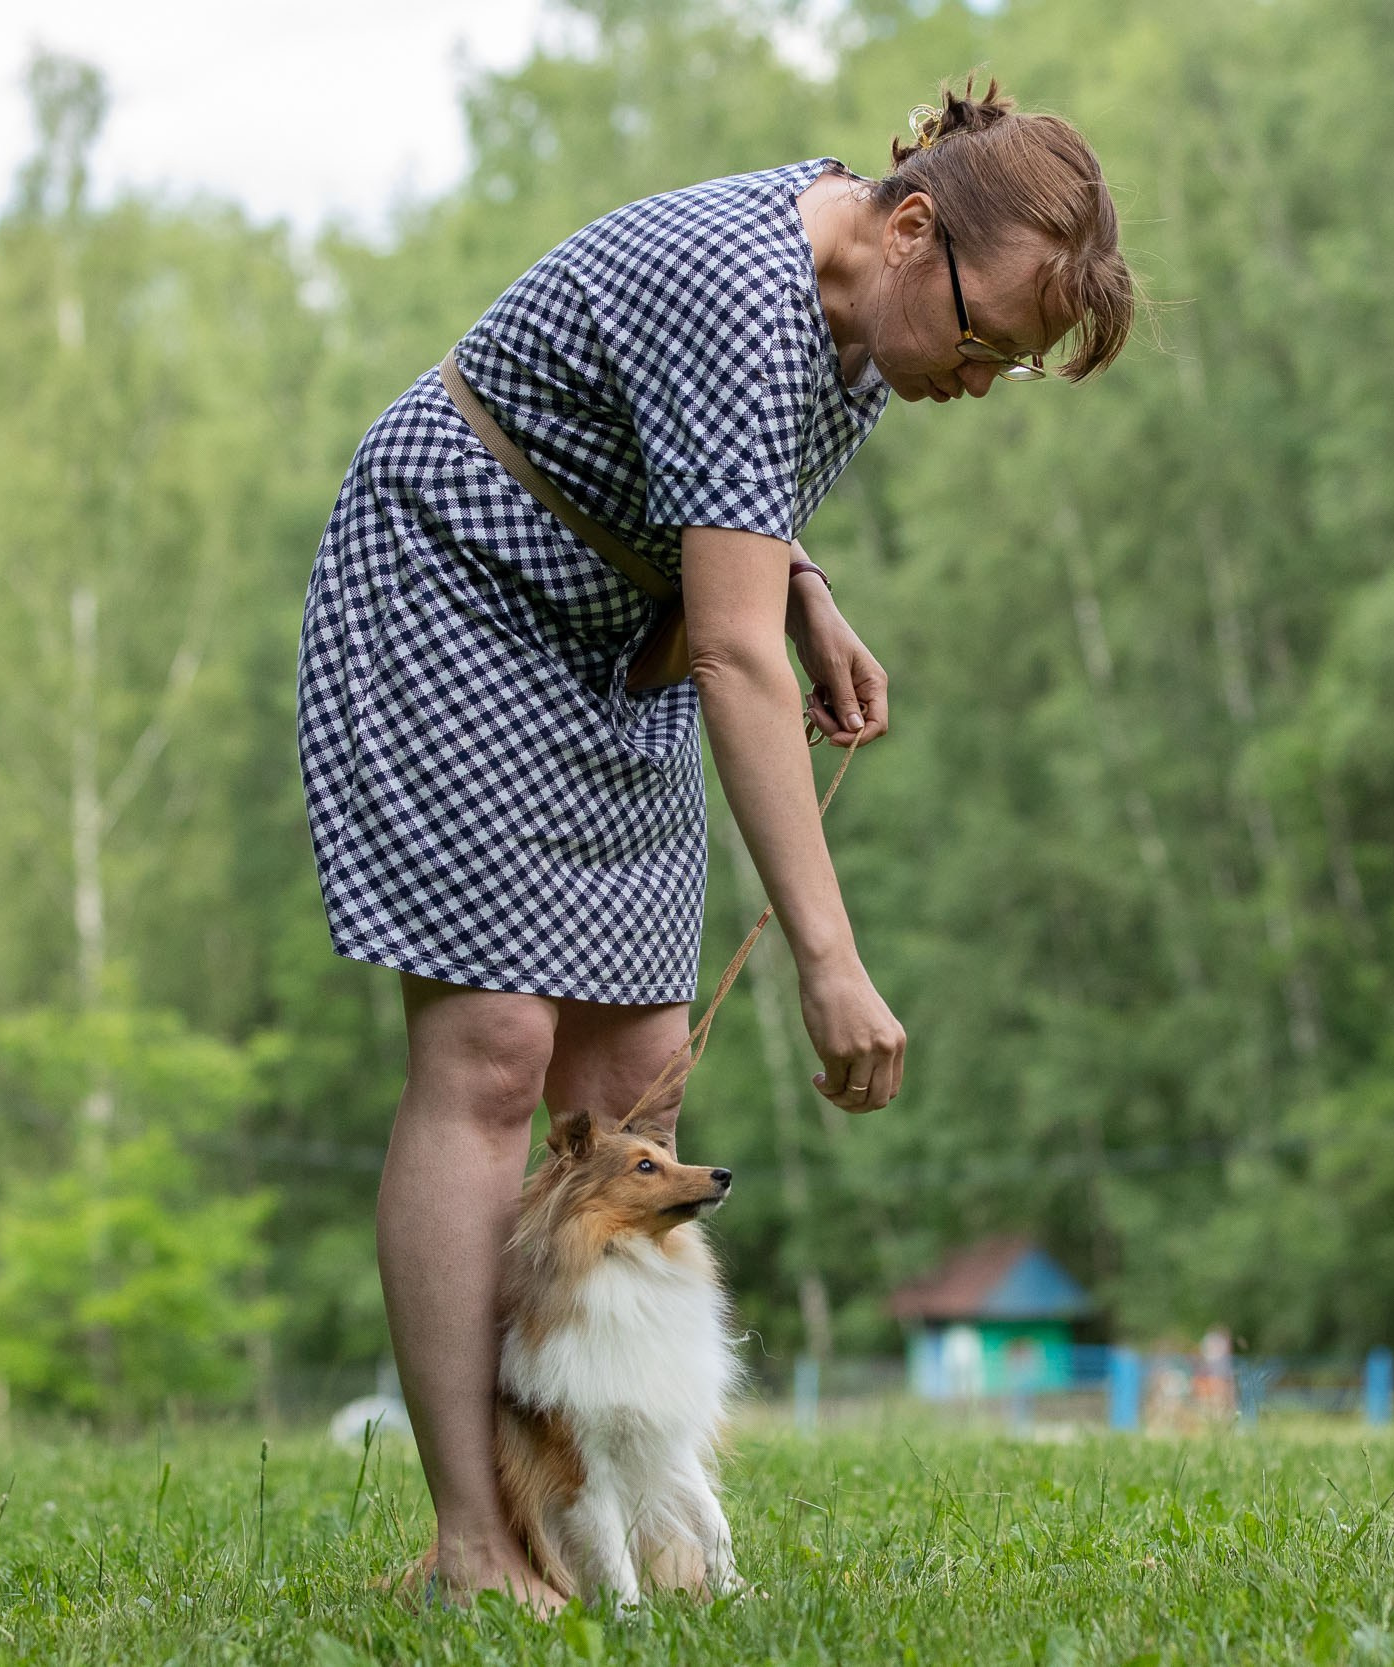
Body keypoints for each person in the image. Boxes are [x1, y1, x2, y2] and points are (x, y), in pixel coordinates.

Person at [295, 78, 1132, 1608]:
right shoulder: (746, 293)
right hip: (452, 586)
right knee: (490, 1050)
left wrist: (807, 588)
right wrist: (830, 957)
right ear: (911, 225)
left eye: (1011, 363)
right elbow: (735, 663)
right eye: (985, 338)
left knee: (633, 1087)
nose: (980, 379)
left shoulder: (861, 318)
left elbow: (722, 516)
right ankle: (478, 1547)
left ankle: (640, 1530)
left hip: (617, 628)